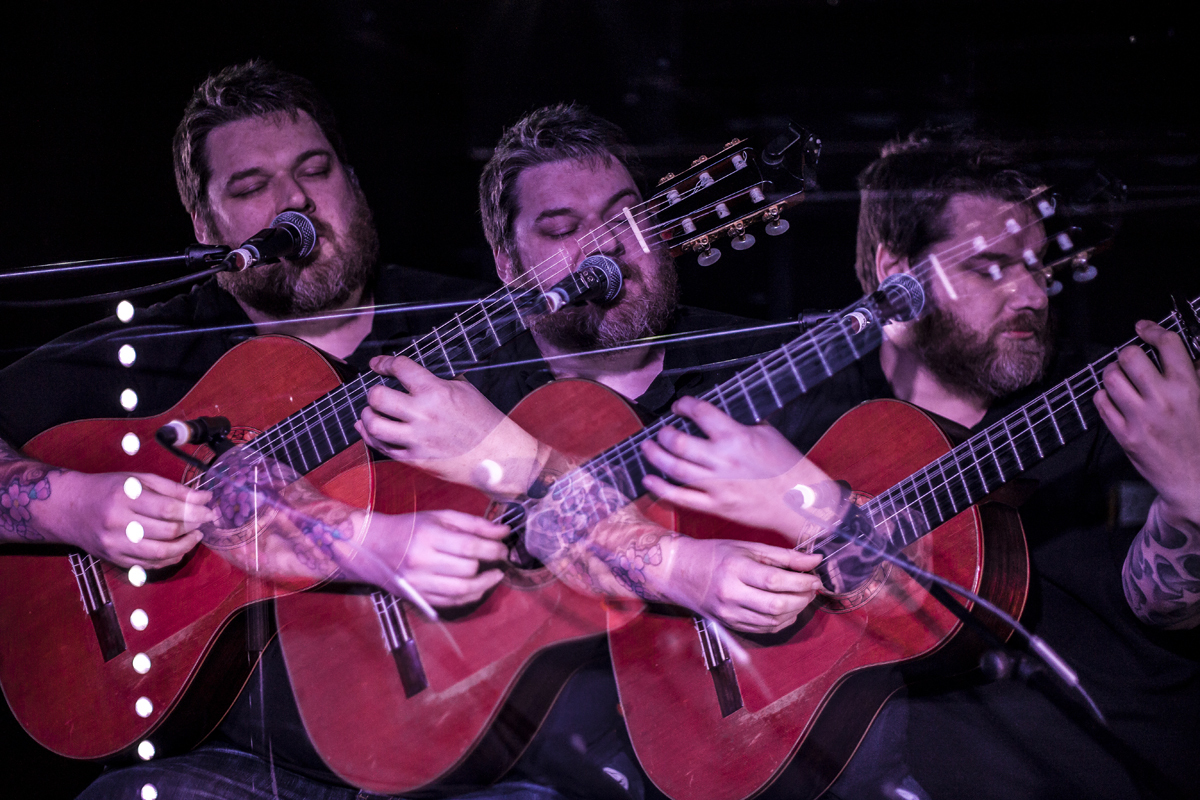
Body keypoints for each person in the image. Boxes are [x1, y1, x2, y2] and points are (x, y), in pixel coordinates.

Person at [0, 60, 523, 799]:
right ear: (207, 228)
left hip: (462, 751)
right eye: (251, 188)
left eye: (316, 170)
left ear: (355, 183)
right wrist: (71, 506)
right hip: (236, 765)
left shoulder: (470, 328)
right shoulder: (150, 355)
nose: (295, 200)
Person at [638, 129, 1200, 799]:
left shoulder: (1124, 407)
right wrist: (689, 572)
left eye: (1038, 264)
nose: (1033, 295)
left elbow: (1162, 602)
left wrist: (1191, 492)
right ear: (894, 273)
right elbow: (592, 520)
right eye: (990, 267)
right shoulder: (796, 408)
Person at [355, 104, 835, 797]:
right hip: (492, 756)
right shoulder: (463, 395)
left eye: (626, 217)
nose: (604, 246)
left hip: (718, 750)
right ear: (508, 264)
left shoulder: (761, 372)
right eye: (561, 229)